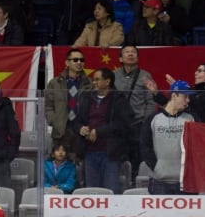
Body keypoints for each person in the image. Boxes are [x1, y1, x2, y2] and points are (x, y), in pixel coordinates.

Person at [71, 68, 132, 193]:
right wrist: (80, 129)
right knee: (92, 192)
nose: (94, 83)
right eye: (94, 80)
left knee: (111, 191)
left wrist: (98, 132)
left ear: (107, 81)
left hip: (110, 153)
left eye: (97, 80)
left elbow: (123, 124)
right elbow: (76, 121)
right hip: (89, 152)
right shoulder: (86, 97)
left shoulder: (119, 99)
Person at [140, 79, 195, 194]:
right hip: (159, 180)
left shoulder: (191, 119)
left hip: (185, 181)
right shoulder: (153, 119)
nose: (188, 101)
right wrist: (156, 167)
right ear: (174, 95)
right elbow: (145, 146)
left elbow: (197, 147)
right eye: (185, 97)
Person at [113, 45, 155, 174]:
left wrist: (146, 123)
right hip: (118, 124)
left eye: (133, 52)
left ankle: (134, 185)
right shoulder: (113, 75)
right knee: (118, 159)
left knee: (137, 158)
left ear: (138, 57)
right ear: (120, 58)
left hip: (138, 124)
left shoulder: (145, 75)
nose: (130, 54)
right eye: (127, 52)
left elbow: (151, 101)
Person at [45, 48, 93, 155]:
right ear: (67, 62)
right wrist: (56, 122)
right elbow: (48, 106)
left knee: (80, 167)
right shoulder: (54, 83)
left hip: (82, 130)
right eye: (75, 60)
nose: (79, 62)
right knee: (62, 166)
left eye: (82, 60)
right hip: (62, 131)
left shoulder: (90, 83)